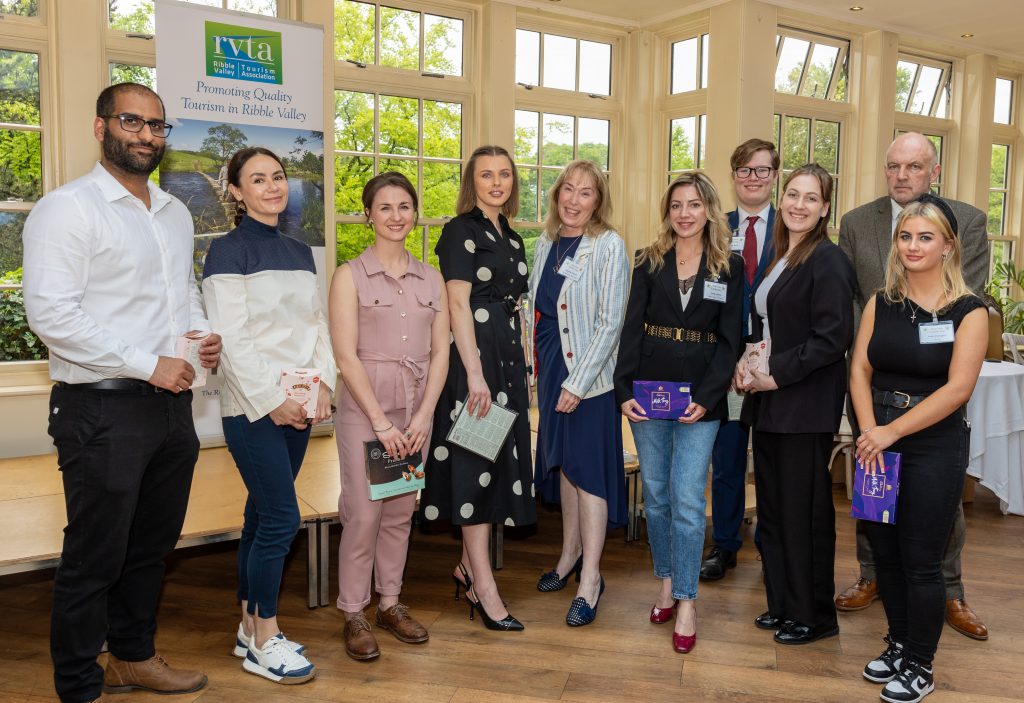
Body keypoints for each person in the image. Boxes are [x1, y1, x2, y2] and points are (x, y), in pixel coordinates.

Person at [22, 82, 221, 703]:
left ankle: (132, 658)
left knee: (150, 549)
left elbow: (181, 293)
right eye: (132, 122)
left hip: (171, 409)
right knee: (95, 555)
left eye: (157, 126)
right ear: (100, 127)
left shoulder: (174, 212)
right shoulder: (67, 209)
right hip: (100, 409)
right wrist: (147, 364)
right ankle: (79, 685)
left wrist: (200, 338)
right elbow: (51, 315)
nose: (146, 135)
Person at [837, 132, 990, 640]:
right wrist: (870, 415)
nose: (902, 176)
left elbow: (961, 298)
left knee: (934, 512)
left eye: (914, 166)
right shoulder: (856, 222)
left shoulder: (967, 220)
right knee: (876, 500)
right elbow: (853, 301)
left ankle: (950, 589)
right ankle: (872, 575)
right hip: (874, 386)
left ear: (934, 171)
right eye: (893, 166)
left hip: (933, 393)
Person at [202, 147, 337, 684]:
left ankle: (246, 625)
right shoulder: (226, 251)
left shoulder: (300, 251)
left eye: (277, 176)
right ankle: (264, 639)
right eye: (257, 179)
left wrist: (323, 384)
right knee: (282, 519)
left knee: (261, 516)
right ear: (236, 192)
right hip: (253, 408)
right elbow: (231, 339)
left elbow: (317, 325)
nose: (272, 186)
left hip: (299, 403)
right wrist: (270, 400)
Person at [614, 172, 743, 653]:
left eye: (694, 204)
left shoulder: (729, 265)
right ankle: (666, 582)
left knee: (688, 500)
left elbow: (730, 340)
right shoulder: (648, 260)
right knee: (657, 498)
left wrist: (708, 397)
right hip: (648, 396)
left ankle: (687, 600)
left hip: (700, 401)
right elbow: (632, 327)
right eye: (676, 205)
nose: (685, 213)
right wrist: (622, 390)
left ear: (709, 210)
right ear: (667, 212)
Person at [330, 172, 449, 659]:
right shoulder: (348, 276)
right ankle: (353, 611)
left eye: (404, 206)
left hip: (415, 409)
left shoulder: (432, 279)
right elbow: (345, 356)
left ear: (415, 213)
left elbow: (440, 353)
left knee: (400, 510)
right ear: (368, 215)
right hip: (366, 411)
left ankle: (390, 603)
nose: (396, 216)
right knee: (364, 512)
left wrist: (423, 416)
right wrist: (380, 421)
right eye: (385, 207)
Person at [737, 164, 854, 645]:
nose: (798, 205)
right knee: (775, 511)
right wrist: (747, 362)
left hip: (803, 404)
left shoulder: (829, 260)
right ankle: (784, 603)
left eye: (811, 198)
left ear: (825, 209)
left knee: (804, 513)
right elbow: (767, 327)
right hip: (769, 404)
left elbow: (832, 338)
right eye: (792, 194)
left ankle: (815, 615)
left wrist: (776, 373)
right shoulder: (781, 256)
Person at [420, 145, 535, 631]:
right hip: (477, 362)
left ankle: (468, 567)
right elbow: (457, 306)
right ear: (473, 181)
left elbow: (518, 307)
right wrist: (474, 375)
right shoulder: (460, 231)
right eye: (486, 175)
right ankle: (483, 587)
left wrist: (525, 365)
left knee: (492, 468)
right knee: (474, 469)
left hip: (507, 361)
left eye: (504, 174)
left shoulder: (512, 237)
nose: (496, 182)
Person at [529, 159, 629, 626]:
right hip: (551, 367)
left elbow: (611, 323)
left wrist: (578, 382)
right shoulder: (545, 243)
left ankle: (591, 578)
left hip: (589, 379)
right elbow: (535, 310)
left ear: (598, 201)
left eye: (585, 192)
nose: (573, 199)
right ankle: (569, 555)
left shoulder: (608, 246)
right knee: (566, 468)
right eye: (567, 189)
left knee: (588, 473)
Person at [702, 138, 779, 581]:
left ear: (774, 176)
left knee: (771, 461)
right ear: (733, 177)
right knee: (727, 459)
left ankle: (771, 545)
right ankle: (725, 545)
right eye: (745, 170)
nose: (753, 178)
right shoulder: (715, 228)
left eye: (762, 170)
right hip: (727, 362)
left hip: (776, 363)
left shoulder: (793, 227)